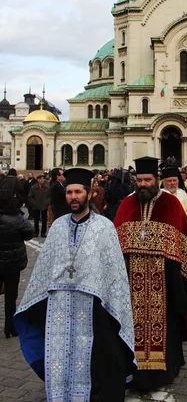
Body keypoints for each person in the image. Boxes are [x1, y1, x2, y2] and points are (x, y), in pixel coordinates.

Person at [15, 167, 136, 402]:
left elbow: (115, 273)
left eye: (78, 192)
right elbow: (44, 267)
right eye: (69, 192)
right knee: (60, 355)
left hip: (92, 306)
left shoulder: (104, 227)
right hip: (59, 305)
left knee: (95, 358)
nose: (73, 197)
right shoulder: (58, 227)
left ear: (89, 194)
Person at [114, 156, 187, 392]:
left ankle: (166, 368)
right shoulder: (127, 204)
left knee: (168, 326)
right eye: (139, 180)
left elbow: (185, 241)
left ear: (157, 180)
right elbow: (113, 242)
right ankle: (133, 369)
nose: (143, 184)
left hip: (166, 280)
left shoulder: (172, 204)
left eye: (147, 180)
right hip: (131, 281)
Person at [0, 193, 34, 338]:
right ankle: (10, 327)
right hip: (12, 263)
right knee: (11, 295)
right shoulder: (16, 218)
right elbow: (29, 233)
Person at [161, 165, 187, 236]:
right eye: (169, 181)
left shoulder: (183, 194)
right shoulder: (160, 195)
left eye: (174, 180)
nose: (173, 183)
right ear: (164, 183)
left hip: (182, 230)